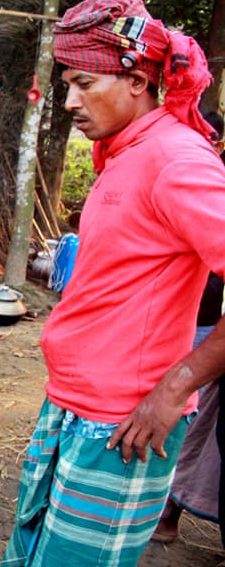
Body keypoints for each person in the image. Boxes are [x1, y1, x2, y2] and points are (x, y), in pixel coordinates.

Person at [1, 0, 225, 567]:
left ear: (135, 80)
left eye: (84, 84)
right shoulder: (123, 152)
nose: (70, 101)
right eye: (66, 85)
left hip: (122, 425)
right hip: (71, 407)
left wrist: (174, 389)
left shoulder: (178, 160)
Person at [152, 112, 225, 544]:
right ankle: (166, 511)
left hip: (207, 324)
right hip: (186, 322)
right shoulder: (183, 174)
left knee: (193, 422)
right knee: (189, 423)